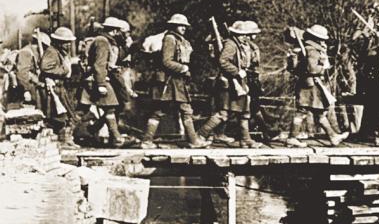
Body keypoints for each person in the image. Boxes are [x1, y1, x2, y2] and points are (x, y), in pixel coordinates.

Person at [140, 13, 210, 149]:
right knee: (168, 110)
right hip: (169, 81)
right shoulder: (170, 39)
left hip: (177, 81)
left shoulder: (181, 40)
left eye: (185, 26)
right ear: (173, 26)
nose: (184, 28)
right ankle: (148, 141)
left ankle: (148, 141)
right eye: (181, 25)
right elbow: (166, 61)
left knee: (181, 110)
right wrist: (182, 68)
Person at [199, 20, 261, 147]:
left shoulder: (241, 45)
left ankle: (245, 139)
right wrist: (237, 72)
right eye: (243, 34)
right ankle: (200, 134)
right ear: (237, 34)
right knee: (223, 113)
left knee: (244, 111)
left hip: (239, 82)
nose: (246, 37)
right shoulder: (231, 45)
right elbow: (222, 61)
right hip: (229, 83)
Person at [287, 24, 348, 147]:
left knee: (319, 111)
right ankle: (292, 137)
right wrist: (322, 62)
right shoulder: (313, 51)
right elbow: (313, 69)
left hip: (312, 84)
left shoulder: (309, 48)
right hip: (310, 84)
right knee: (302, 111)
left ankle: (333, 136)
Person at [79, 17, 130, 147]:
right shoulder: (102, 42)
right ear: (114, 31)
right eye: (120, 31)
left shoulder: (108, 41)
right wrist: (101, 84)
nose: (122, 34)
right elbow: (99, 64)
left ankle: (93, 130)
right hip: (97, 79)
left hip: (100, 77)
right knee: (109, 108)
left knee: (111, 107)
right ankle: (117, 138)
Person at [41, 26, 80, 148]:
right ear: (58, 42)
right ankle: (64, 140)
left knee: (67, 114)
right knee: (63, 115)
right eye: (65, 42)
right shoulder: (52, 51)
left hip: (61, 86)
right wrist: (64, 70)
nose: (68, 45)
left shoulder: (60, 52)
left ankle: (66, 139)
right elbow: (45, 67)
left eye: (69, 42)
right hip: (56, 88)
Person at [356, 20, 379, 140]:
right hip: (370, 79)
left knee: (376, 106)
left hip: (377, 79)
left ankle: (370, 131)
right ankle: (366, 132)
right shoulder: (373, 45)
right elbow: (365, 56)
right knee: (371, 106)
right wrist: (368, 41)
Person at [16, 30, 50, 110]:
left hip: (33, 85)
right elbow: (22, 73)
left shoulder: (33, 52)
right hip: (26, 87)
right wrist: (26, 90)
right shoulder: (26, 52)